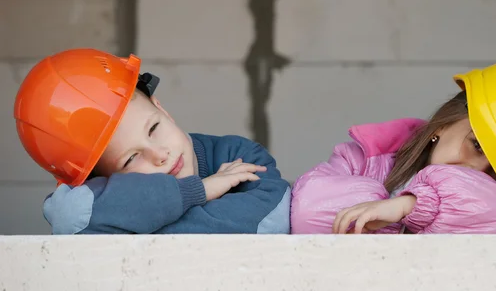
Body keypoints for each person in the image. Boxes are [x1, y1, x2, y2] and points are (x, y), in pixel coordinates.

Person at [14, 48, 291, 234]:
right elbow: (68, 215)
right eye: (131, 159)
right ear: (102, 178)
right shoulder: (91, 197)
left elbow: (273, 217)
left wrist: (139, 227)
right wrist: (198, 191)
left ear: (161, 108)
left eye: (154, 127)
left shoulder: (236, 154)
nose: (159, 154)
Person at [290, 60, 496, 234]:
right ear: (445, 123)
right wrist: (382, 211)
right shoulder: (364, 159)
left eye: (495, 174)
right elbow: (307, 212)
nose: (474, 170)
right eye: (477, 146)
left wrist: (413, 206)